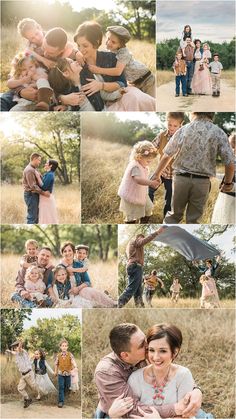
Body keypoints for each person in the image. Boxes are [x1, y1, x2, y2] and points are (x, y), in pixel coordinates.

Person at [94, 323, 203, 418]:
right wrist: (175, 409)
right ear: (125, 355)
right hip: (121, 413)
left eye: (146, 341)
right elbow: (131, 411)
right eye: (143, 345)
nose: (148, 347)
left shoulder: (146, 352)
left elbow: (178, 374)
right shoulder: (106, 372)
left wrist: (196, 390)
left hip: (154, 406)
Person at [151, 112, 235, 224]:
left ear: (193, 113)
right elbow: (229, 163)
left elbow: (167, 155)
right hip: (202, 183)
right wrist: (228, 183)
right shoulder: (219, 132)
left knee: (173, 216)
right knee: (194, 220)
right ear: (211, 115)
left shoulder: (183, 129)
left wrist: (157, 174)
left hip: (180, 180)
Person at [73, 21, 156, 111]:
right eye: (78, 45)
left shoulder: (113, 56)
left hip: (146, 79)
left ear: (96, 42)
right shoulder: (76, 65)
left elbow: (121, 81)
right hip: (104, 105)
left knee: (144, 100)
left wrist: (101, 84)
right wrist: (75, 52)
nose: (81, 50)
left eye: (85, 46)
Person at [87, 25, 155, 97]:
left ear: (120, 45)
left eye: (113, 42)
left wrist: (98, 70)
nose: (109, 43)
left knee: (151, 102)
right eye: (108, 39)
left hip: (146, 79)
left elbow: (118, 71)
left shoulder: (123, 53)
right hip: (134, 82)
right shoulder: (111, 50)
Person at [149, 112, 185, 219]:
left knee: (169, 201)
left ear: (180, 125)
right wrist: (145, 152)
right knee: (148, 190)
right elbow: (152, 147)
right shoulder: (162, 135)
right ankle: (147, 212)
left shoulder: (182, 138)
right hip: (161, 172)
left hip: (173, 175)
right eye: (169, 125)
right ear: (166, 123)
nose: (172, 128)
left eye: (175, 126)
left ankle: (165, 220)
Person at [60, 242, 117, 308]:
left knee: (87, 290)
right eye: (65, 251)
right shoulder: (60, 267)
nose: (67, 253)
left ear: (73, 252)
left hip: (80, 291)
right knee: (79, 305)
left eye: (69, 250)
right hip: (67, 295)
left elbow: (87, 281)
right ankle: (103, 299)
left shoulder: (79, 265)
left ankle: (112, 304)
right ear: (62, 253)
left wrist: (78, 288)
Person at [118, 228, 164, 308]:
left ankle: (140, 307)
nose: (142, 239)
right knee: (132, 288)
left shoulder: (130, 245)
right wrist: (156, 232)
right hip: (136, 267)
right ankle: (119, 304)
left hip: (132, 266)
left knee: (138, 290)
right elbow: (143, 241)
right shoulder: (137, 240)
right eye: (142, 238)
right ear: (139, 237)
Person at [118, 141, 159, 223]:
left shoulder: (144, 166)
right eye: (148, 161)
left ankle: (143, 223)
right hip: (130, 194)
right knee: (131, 215)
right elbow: (138, 179)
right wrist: (151, 183)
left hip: (141, 193)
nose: (149, 164)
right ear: (139, 157)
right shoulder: (135, 167)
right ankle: (130, 223)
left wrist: (153, 182)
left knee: (149, 208)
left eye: (150, 161)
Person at [6, 340, 41, 408]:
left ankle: (41, 393)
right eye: (14, 348)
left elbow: (19, 349)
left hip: (28, 374)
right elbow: (14, 352)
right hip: (23, 375)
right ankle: (28, 399)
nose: (14, 349)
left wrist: (20, 345)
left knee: (33, 386)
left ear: (19, 347)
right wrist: (9, 351)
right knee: (20, 388)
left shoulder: (23, 352)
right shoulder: (17, 354)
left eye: (15, 347)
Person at [212, 132, 235, 224]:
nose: (231, 150)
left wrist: (232, 186)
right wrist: (214, 175)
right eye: (230, 147)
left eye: (233, 147)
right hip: (225, 197)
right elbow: (228, 176)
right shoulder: (232, 161)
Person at [23, 153, 50, 224]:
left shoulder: (33, 169)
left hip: (34, 195)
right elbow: (33, 186)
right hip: (31, 195)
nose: (40, 162)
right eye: (39, 160)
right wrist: (44, 193)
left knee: (36, 217)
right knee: (32, 217)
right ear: (34, 159)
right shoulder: (29, 170)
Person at [54, 338, 77, 408]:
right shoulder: (58, 355)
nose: (64, 347)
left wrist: (75, 366)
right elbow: (56, 364)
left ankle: (66, 392)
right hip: (61, 374)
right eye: (63, 346)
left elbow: (73, 361)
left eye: (65, 346)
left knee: (67, 386)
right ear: (60, 347)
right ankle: (61, 401)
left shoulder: (70, 355)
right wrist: (55, 371)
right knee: (61, 387)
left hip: (68, 374)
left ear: (67, 347)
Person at [35, 159, 59, 224]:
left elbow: (44, 187)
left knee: (47, 218)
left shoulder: (50, 175)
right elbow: (44, 183)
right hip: (44, 198)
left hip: (46, 200)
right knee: (44, 217)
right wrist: (40, 176)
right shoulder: (48, 174)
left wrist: (38, 177)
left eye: (46, 163)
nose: (45, 164)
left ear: (50, 165)